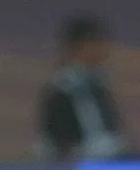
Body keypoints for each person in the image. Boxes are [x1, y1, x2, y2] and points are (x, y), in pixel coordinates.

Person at [38, 14, 129, 161]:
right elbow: (58, 147)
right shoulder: (61, 93)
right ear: (78, 47)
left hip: (106, 167)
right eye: (95, 44)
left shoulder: (99, 89)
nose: (101, 50)